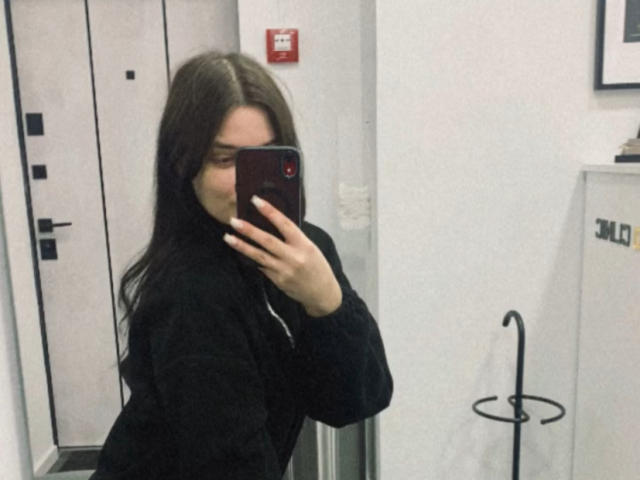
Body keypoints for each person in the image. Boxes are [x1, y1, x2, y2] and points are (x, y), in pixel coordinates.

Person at [90, 51, 393, 479]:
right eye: (225, 159)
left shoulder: (307, 251)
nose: (247, 182)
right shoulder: (189, 293)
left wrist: (328, 302)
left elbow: (354, 401)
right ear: (183, 164)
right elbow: (232, 467)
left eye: (267, 157)